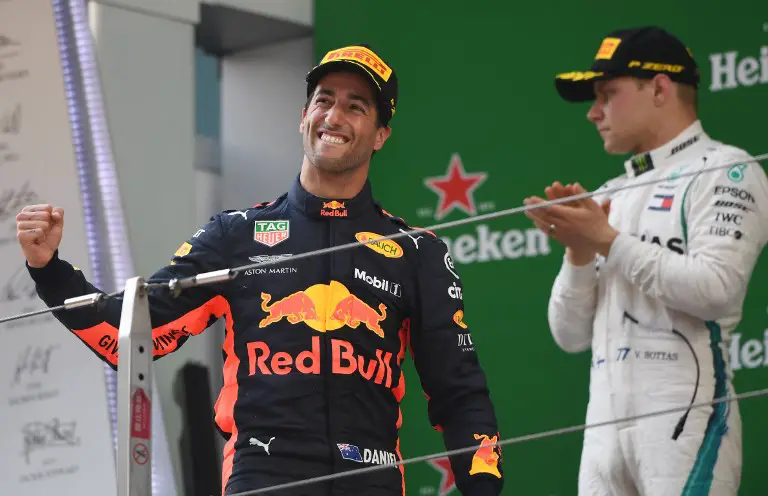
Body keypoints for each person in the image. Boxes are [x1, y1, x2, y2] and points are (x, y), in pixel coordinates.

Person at [16, 44, 504, 496]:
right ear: (303, 116)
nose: (334, 116)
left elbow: (458, 390)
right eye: (323, 100)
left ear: (380, 135)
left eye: (356, 106)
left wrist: (482, 486)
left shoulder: (416, 251)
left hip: (370, 479)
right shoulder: (236, 235)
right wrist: (49, 269)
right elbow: (132, 333)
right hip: (262, 478)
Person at [523, 26, 768, 495]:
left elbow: (717, 290)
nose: (594, 112)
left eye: (607, 94)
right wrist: (578, 251)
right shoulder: (611, 195)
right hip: (602, 433)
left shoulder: (727, 170)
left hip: (687, 420)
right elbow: (569, 335)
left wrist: (607, 240)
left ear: (659, 87)